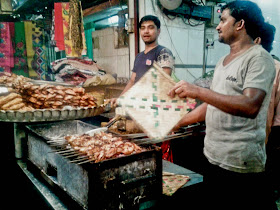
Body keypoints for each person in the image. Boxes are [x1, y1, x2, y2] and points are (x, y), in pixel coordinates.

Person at [168, 1, 276, 209]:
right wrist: (178, 122)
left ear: (240, 24)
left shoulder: (259, 58)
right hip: (213, 156)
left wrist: (198, 91)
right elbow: (212, 104)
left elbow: (250, 105)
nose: (218, 26)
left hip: (239, 163)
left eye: (223, 20)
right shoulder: (222, 62)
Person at [111, 15, 175, 162]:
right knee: (141, 154)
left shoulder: (163, 53)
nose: (146, 31)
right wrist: (120, 99)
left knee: (159, 156)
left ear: (158, 31)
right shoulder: (139, 56)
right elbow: (132, 80)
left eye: (151, 27)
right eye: (143, 28)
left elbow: (162, 83)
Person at [254, 22, 280, 202]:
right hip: (271, 130)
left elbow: (268, 106)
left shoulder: (267, 66)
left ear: (256, 40)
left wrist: (263, 140)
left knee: (263, 180)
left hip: (270, 132)